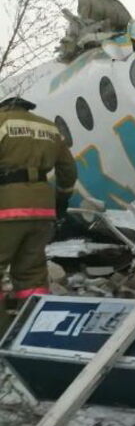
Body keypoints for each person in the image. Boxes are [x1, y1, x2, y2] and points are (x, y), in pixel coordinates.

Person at [0, 96, 77, 317]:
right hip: (42, 210)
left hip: (6, 209)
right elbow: (68, 170)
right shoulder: (48, 127)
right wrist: (61, 200)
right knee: (32, 275)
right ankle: (32, 329)